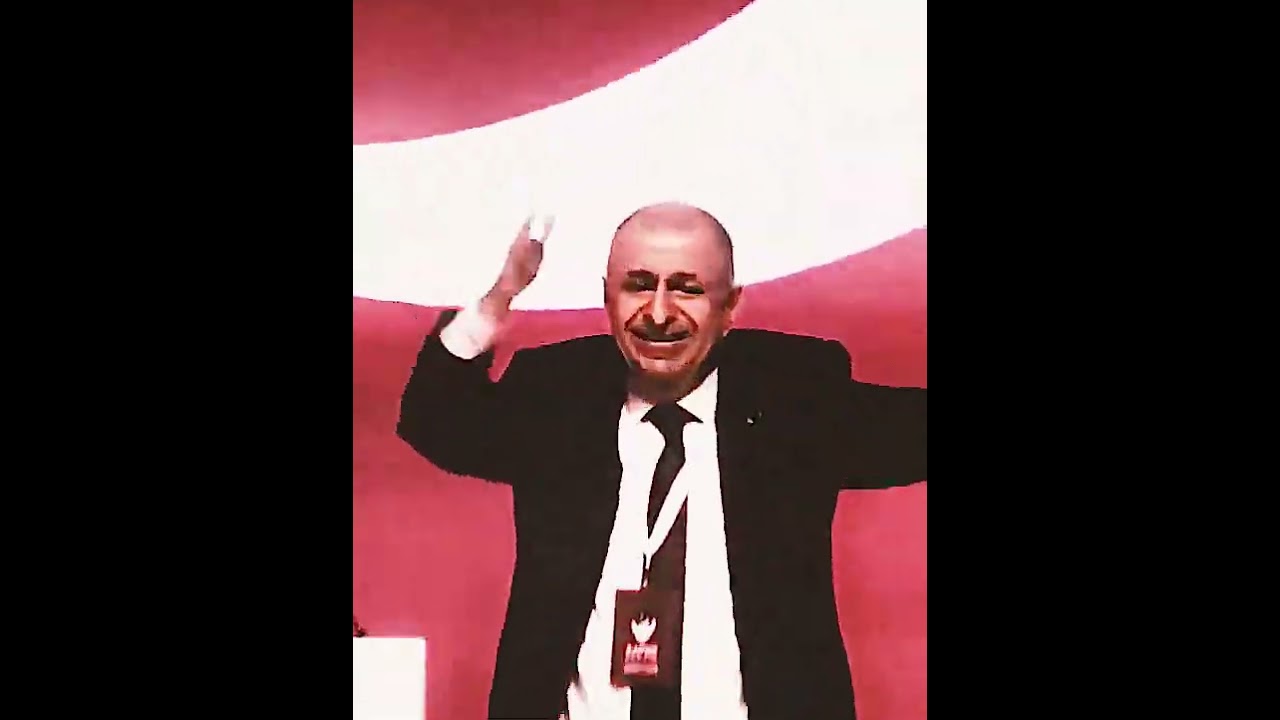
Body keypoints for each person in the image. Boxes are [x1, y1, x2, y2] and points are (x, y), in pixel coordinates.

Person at [397, 203, 926, 720]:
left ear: (730, 306)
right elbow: (433, 420)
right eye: (638, 285)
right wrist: (500, 297)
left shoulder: (794, 398)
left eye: (687, 289)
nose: (657, 313)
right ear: (607, 296)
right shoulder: (560, 395)